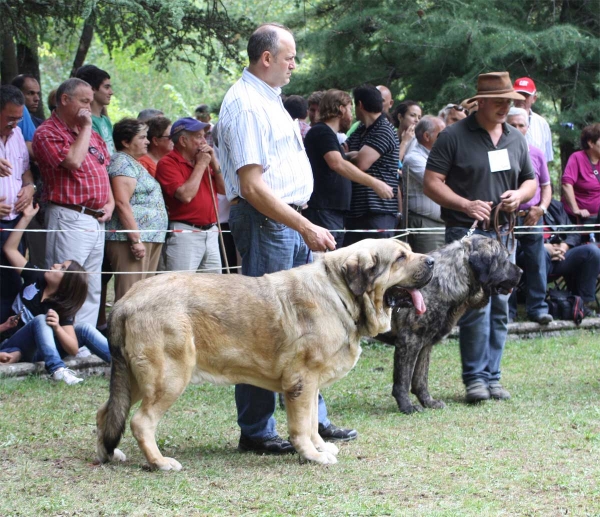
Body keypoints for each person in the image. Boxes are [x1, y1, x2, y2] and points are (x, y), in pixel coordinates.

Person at [218, 23, 357, 455]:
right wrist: (304, 227)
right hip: (269, 224)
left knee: (308, 325)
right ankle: (257, 430)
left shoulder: (269, 100)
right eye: (289, 57)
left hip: (289, 222)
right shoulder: (244, 105)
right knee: (266, 328)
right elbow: (253, 187)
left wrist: (303, 222)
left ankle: (313, 420)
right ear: (266, 58)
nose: (294, 64)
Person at [424, 71, 537, 403]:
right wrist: (465, 204)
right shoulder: (454, 136)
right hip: (467, 235)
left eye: (510, 102)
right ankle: (474, 379)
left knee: (502, 305)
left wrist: (520, 194)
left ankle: (493, 376)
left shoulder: (516, 138)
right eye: (499, 101)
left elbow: (531, 180)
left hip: (504, 235)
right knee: (475, 306)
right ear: (481, 102)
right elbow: (432, 182)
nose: (505, 107)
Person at [32, 78, 114, 328]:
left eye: (90, 102)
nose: (88, 108)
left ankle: (83, 345)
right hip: (70, 215)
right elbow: (74, 161)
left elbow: (103, 170)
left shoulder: (89, 132)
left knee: (89, 284)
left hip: (96, 217)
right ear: (65, 100)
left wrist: (109, 203)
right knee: (66, 284)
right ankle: (61, 341)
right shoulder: (48, 132)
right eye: (84, 101)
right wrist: (87, 126)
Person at [0, 202, 111, 384]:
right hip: (14, 345)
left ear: (66, 283)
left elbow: (73, 348)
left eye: (61, 268)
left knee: (83, 329)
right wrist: (27, 217)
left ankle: (123, 365)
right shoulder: (37, 277)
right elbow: (9, 249)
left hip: (44, 349)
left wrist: (58, 327)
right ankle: (58, 369)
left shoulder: (62, 305)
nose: (54, 265)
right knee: (40, 320)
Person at [304, 89, 394, 248]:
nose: (352, 116)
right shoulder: (322, 131)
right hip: (324, 211)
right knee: (326, 263)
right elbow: (337, 163)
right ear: (341, 109)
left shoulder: (329, 135)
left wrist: (350, 154)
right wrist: (375, 183)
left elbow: (341, 160)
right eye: (350, 109)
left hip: (333, 212)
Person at [105, 118, 168, 302]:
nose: (147, 141)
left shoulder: (134, 162)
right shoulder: (121, 163)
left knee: (144, 296)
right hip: (130, 241)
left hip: (149, 237)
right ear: (125, 142)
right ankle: (121, 331)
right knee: (130, 296)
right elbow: (122, 202)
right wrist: (136, 239)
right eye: (142, 137)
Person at [155, 117, 225, 274]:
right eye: (198, 137)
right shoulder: (168, 163)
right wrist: (201, 165)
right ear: (183, 141)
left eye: (204, 136)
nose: (203, 142)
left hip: (211, 231)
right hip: (185, 233)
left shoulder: (204, 160)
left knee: (213, 288)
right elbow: (186, 196)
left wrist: (213, 161)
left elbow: (224, 190)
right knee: (180, 287)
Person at [506, 107, 553, 324]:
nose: (517, 128)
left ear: (527, 128)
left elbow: (546, 186)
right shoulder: (499, 152)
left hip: (533, 215)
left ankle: (538, 309)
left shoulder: (536, 152)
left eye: (521, 125)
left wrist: (541, 208)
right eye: (512, 124)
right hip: (506, 217)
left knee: (537, 263)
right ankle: (508, 312)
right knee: (507, 265)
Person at [343, 84, 400, 246]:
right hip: (357, 210)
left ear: (360, 105)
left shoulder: (384, 129)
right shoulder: (360, 129)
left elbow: (361, 163)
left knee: (377, 265)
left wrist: (352, 155)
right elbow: (343, 152)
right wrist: (353, 154)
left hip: (378, 210)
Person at [0, 85, 35, 322]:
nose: (15, 124)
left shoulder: (17, 137)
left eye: (19, 119)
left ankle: (7, 338)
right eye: (10, 118)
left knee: (13, 280)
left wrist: (30, 188)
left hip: (15, 221)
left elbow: (26, 172)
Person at [543, 199, 600, 312]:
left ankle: (582, 305)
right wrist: (543, 248)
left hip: (561, 255)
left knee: (592, 251)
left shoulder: (554, 206)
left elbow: (573, 232)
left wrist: (564, 246)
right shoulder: (519, 206)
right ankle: (538, 306)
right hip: (533, 257)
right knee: (539, 253)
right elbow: (514, 240)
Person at [403, 115, 446, 253]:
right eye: (441, 134)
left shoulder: (439, 156)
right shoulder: (414, 158)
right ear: (427, 136)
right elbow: (440, 184)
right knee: (428, 270)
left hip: (442, 224)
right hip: (426, 225)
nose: (446, 138)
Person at [561, 123, 600, 234]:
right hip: (578, 221)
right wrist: (576, 209)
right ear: (591, 143)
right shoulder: (577, 157)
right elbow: (566, 184)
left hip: (597, 220)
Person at [75, 64, 115, 155]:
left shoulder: (105, 120)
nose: (111, 92)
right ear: (92, 89)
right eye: (106, 87)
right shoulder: (85, 120)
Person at [513, 77, 554, 163]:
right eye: (518, 94)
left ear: (534, 98)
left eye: (525, 95)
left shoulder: (542, 124)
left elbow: (545, 160)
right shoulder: (502, 121)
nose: (521, 98)